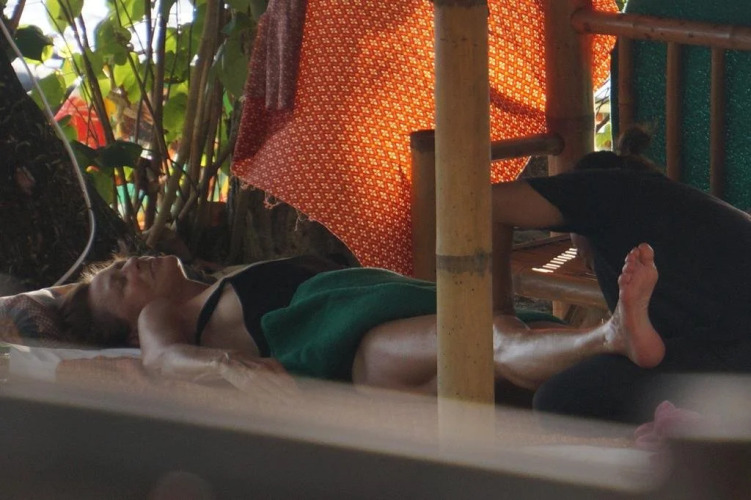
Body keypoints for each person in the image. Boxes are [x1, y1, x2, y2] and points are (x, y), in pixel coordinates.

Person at [57, 126, 750, 423]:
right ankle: (609, 336)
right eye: (118, 283)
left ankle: (609, 342)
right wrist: (226, 370)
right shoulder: (168, 316)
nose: (133, 267)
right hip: (349, 344)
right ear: (126, 320)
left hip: (376, 317)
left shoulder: (217, 277)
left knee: (504, 347)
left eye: (121, 267)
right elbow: (164, 360)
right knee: (486, 339)